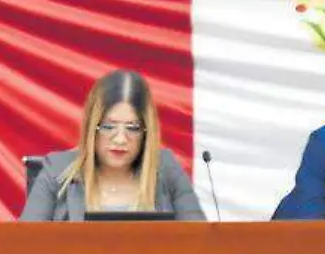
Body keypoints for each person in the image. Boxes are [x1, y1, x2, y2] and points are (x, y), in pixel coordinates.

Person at [20, 70, 205, 221]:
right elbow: (23, 244)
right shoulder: (57, 170)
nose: (120, 139)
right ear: (92, 127)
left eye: (132, 128)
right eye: (109, 127)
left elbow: (200, 241)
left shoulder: (166, 168)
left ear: (146, 132)